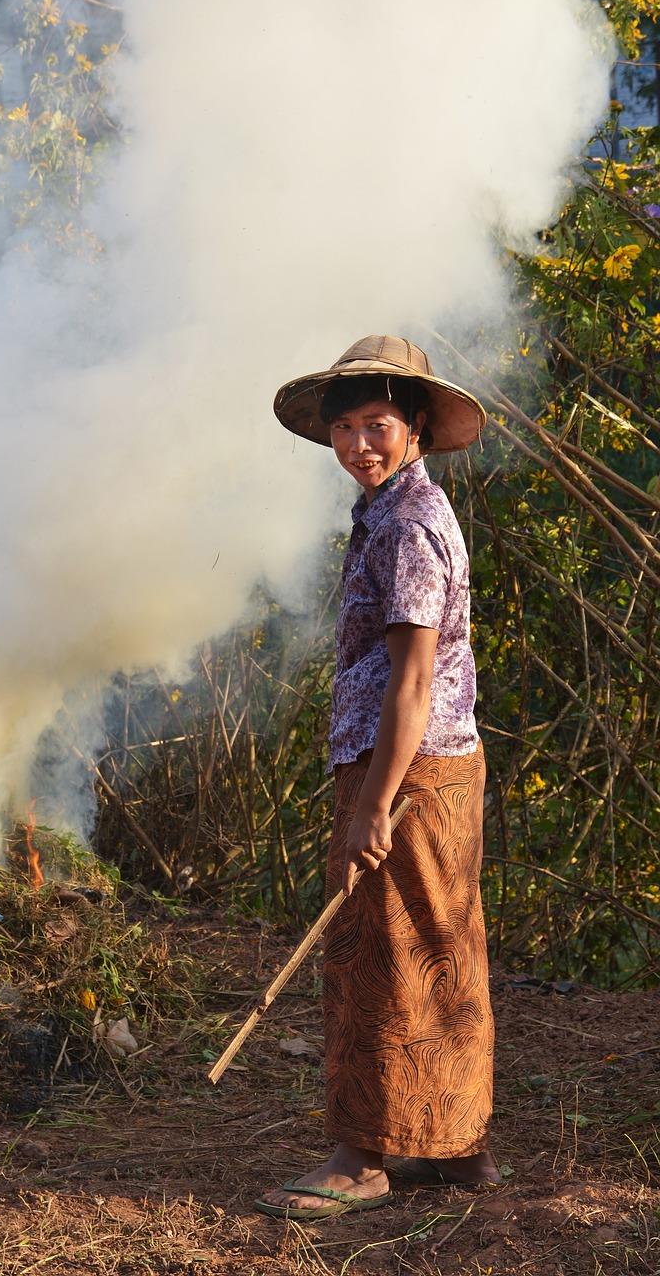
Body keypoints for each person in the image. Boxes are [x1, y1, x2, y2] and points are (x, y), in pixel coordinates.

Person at [256, 335, 500, 1221]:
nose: (361, 443)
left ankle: (360, 1159)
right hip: (434, 763)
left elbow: (412, 677)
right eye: (347, 427)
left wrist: (372, 804)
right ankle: (457, 1149)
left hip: (407, 767)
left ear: (419, 431)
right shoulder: (394, 514)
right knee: (440, 948)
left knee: (376, 957)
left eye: (380, 424)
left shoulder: (405, 524)